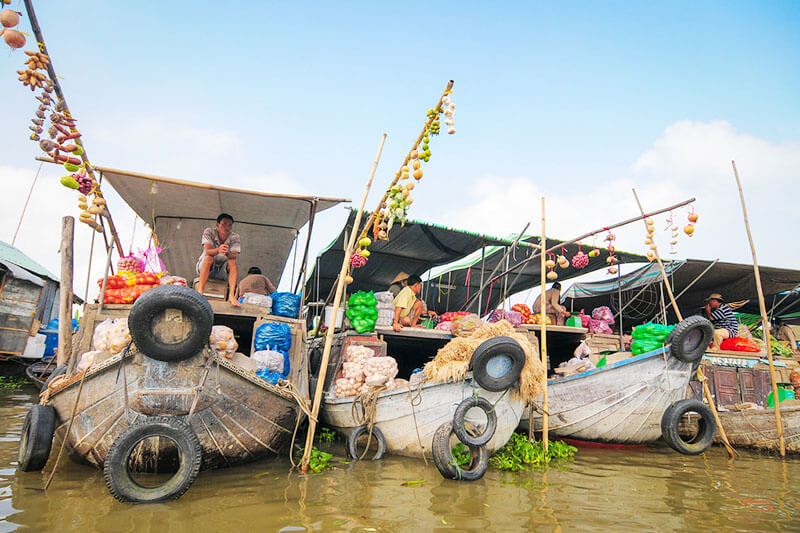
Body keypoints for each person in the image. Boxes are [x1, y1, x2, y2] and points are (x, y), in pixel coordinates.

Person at [196, 213, 240, 306]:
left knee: (233, 262)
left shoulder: (234, 237)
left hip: (222, 270)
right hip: (206, 267)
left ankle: (231, 296)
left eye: (229, 225)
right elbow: (208, 251)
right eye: (224, 224)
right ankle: (200, 291)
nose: (226, 227)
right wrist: (218, 250)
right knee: (209, 258)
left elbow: (233, 256)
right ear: (217, 225)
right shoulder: (209, 232)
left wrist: (227, 252)